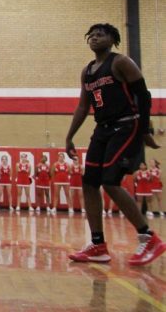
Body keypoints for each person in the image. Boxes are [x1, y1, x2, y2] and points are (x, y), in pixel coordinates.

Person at [65, 23, 164, 266]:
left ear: (112, 39)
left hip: (126, 125)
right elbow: (82, 106)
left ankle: (148, 238)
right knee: (89, 182)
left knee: (110, 182)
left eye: (101, 34)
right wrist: (69, 136)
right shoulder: (87, 71)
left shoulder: (120, 62)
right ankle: (97, 244)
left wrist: (144, 130)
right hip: (103, 129)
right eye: (92, 34)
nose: (95, 37)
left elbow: (144, 95)